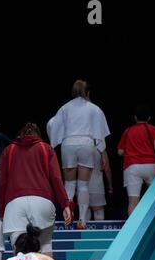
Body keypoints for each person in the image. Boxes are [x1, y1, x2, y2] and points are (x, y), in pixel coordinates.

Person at [0, 122, 73, 258]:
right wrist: (65, 204)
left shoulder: (9, 150)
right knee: (45, 245)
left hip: (15, 203)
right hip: (42, 201)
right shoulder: (46, 148)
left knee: (19, 248)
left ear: (21, 134)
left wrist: (2, 211)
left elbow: (2, 183)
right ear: (38, 135)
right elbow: (56, 179)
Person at [47, 80, 110, 229]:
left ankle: (67, 216)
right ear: (87, 92)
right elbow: (101, 133)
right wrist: (101, 150)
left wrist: (53, 143)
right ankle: (82, 219)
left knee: (69, 184)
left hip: (68, 144)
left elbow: (51, 124)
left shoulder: (64, 108)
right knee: (83, 185)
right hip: (86, 144)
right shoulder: (94, 108)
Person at [117, 104, 155, 216]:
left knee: (133, 202)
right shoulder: (153, 129)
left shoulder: (127, 131)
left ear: (135, 118)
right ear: (149, 118)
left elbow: (120, 152)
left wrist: (131, 152)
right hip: (150, 166)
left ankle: (133, 231)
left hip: (132, 167)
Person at [88, 147, 113, 221]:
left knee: (84, 212)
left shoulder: (79, 146)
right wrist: (110, 185)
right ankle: (99, 232)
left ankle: (83, 232)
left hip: (81, 187)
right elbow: (107, 169)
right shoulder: (100, 147)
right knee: (98, 211)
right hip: (97, 187)